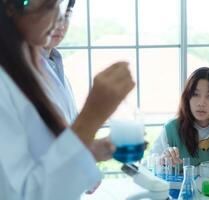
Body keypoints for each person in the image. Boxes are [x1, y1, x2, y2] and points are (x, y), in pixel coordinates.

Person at [0, 0, 134, 200]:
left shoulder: (33, 70)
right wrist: (92, 116)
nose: (58, 19)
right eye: (49, 5)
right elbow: (22, 194)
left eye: (62, 7)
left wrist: (90, 151)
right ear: (11, 7)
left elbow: (42, 157)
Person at [40, 0, 76, 123]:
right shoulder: (20, 72)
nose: (60, 25)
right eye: (51, 12)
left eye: (66, 16)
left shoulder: (56, 65)